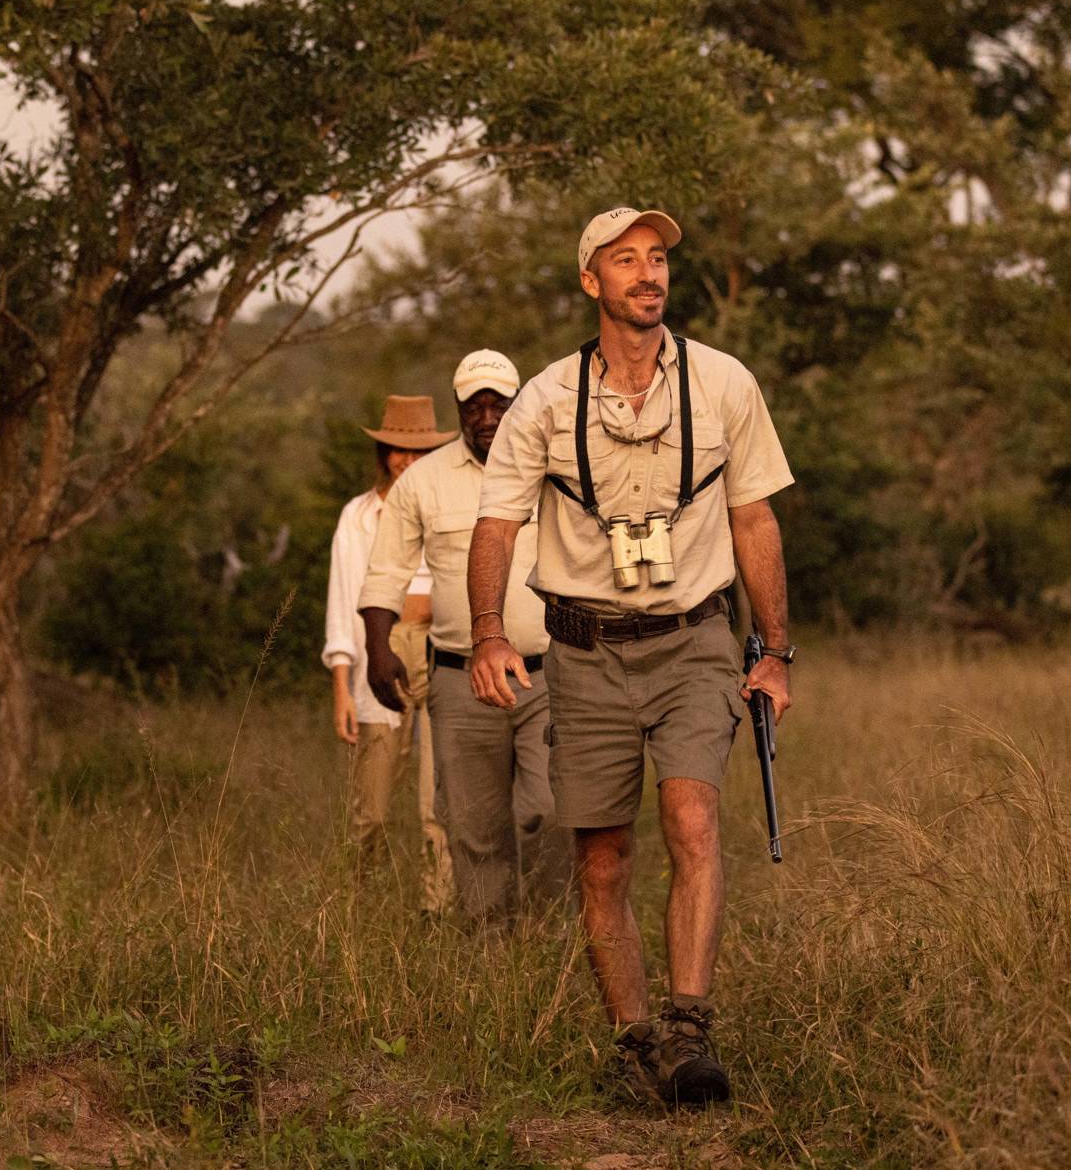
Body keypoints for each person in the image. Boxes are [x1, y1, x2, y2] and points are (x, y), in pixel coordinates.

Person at [465, 207, 797, 1107]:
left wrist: (774, 653)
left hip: (695, 639)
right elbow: (496, 523)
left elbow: (755, 516)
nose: (648, 274)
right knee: (604, 857)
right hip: (583, 648)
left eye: (657, 260)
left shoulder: (726, 383)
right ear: (591, 281)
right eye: (626, 261)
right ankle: (633, 1041)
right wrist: (489, 631)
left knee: (693, 822)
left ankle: (691, 1034)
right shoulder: (542, 399)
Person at [358, 350, 570, 923]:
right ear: (458, 409)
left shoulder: (552, 470)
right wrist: (379, 652)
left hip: (546, 673)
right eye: (474, 405)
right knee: (474, 826)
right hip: (458, 680)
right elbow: (384, 573)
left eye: (497, 403)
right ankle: (491, 951)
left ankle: (553, 934)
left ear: (517, 403)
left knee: (549, 810)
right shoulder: (423, 481)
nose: (486, 416)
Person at [322, 394, 456, 914]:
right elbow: (343, 601)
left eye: (417, 451)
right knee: (371, 805)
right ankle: (362, 901)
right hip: (381, 647)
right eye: (397, 449)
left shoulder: (447, 505)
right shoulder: (358, 517)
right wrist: (342, 686)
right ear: (383, 452)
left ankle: (437, 909)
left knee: (437, 800)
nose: (406, 460)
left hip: (439, 641)